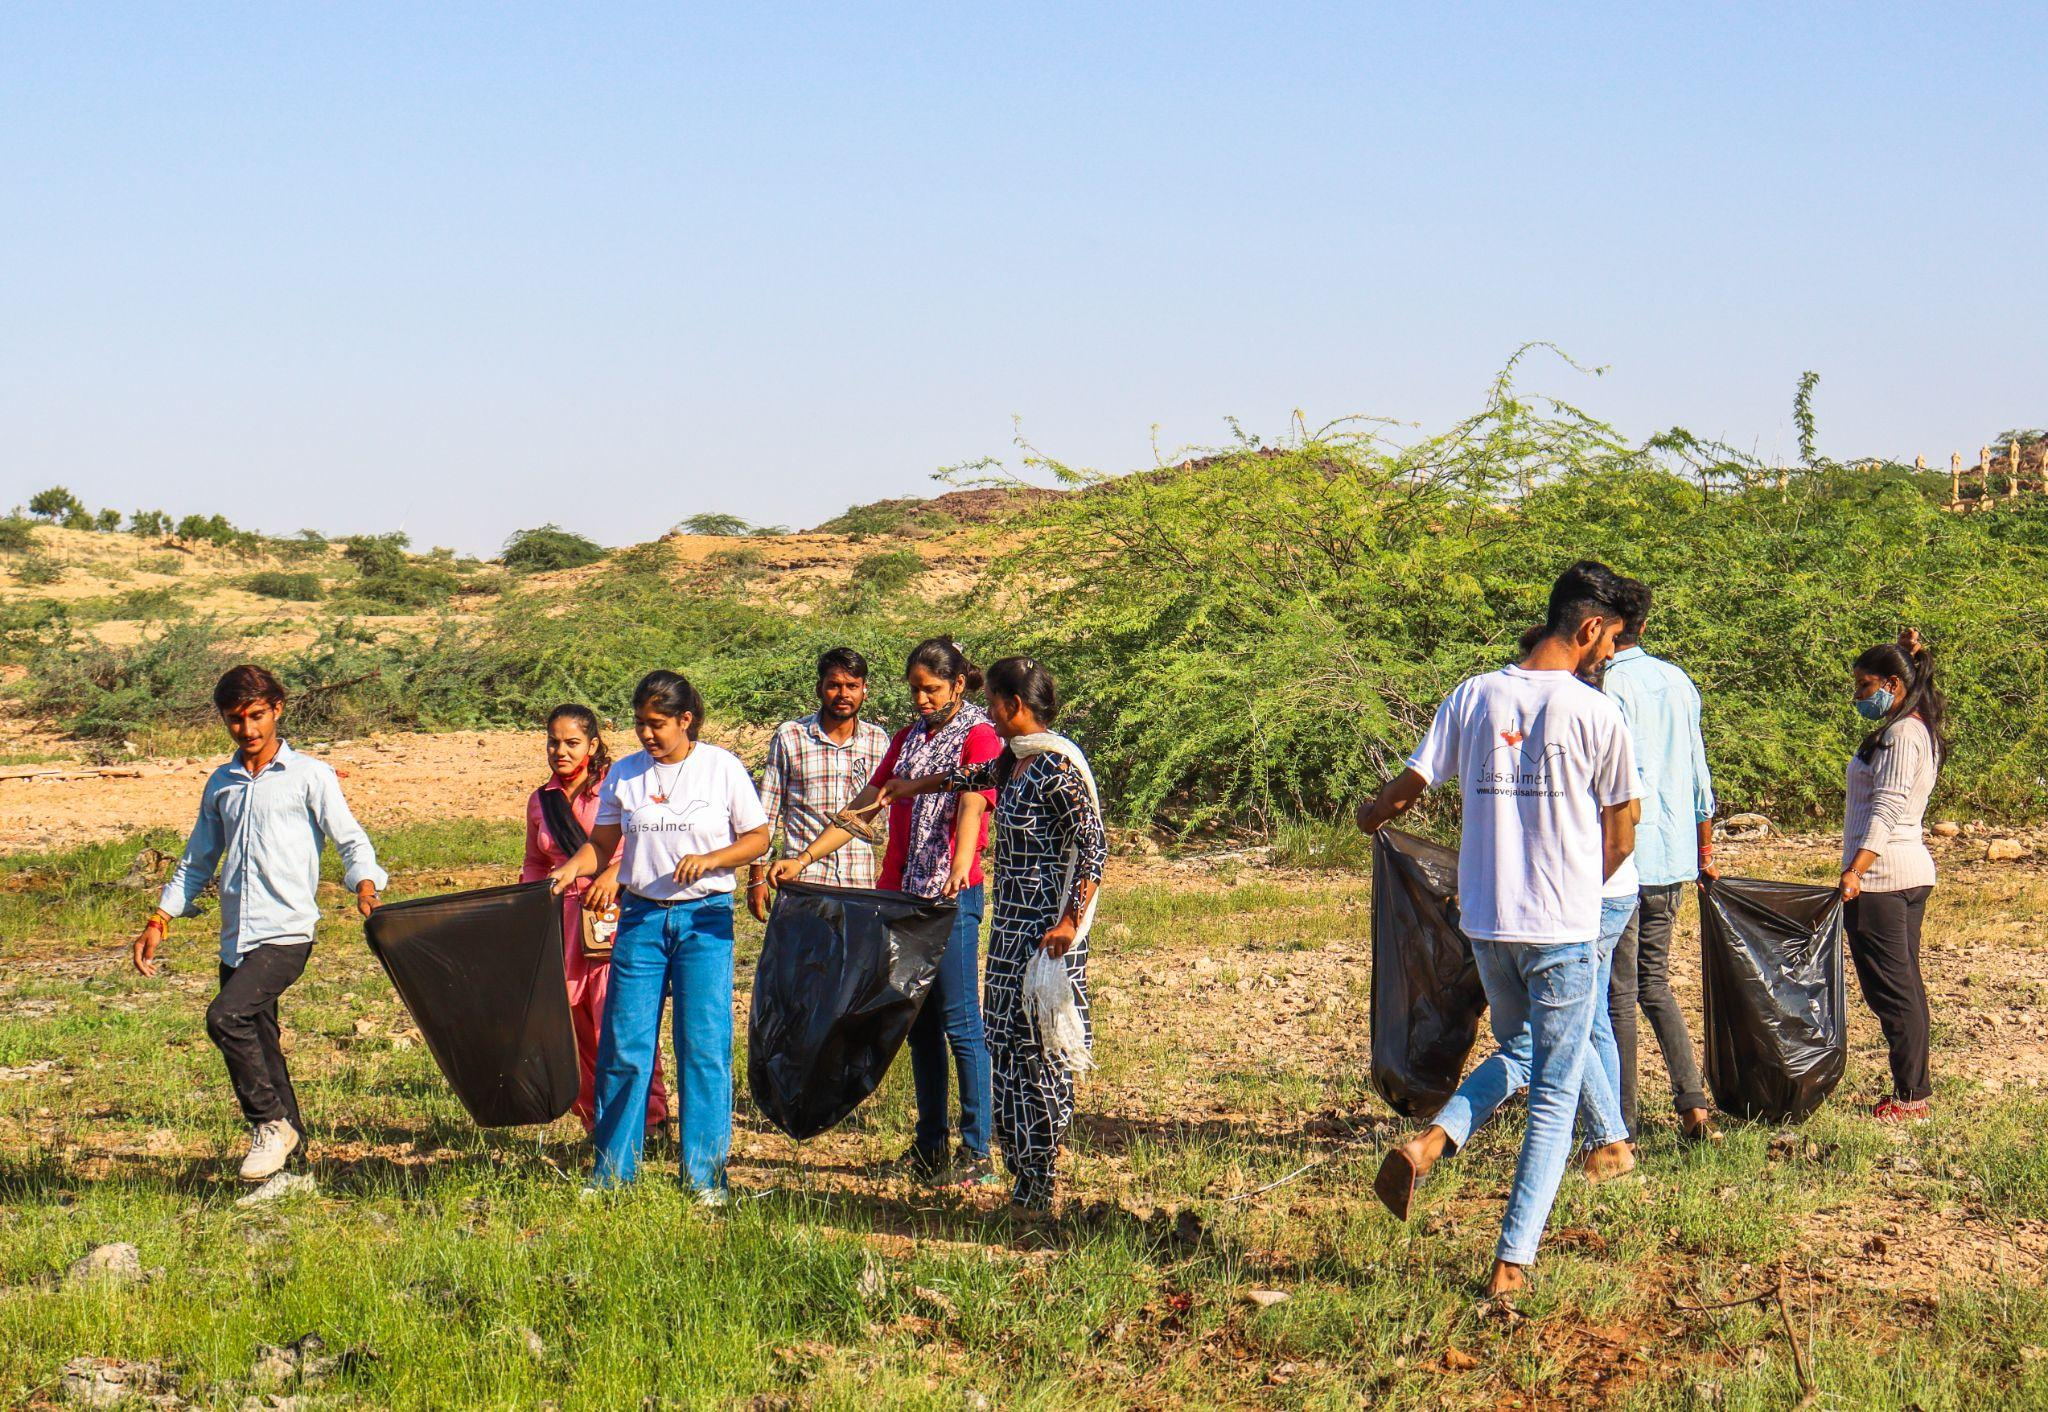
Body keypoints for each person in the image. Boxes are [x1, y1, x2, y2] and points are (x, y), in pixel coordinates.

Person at [1355, 562, 1641, 1297]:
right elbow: (1624, 834)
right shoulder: (1596, 714)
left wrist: (1370, 815)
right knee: (1553, 1089)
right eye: (1611, 639)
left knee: (1520, 1050)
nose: (1611, 653)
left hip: (1488, 927)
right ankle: (1513, 1262)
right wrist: (1578, 891)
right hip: (1562, 929)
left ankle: (1430, 1141)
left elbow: (1410, 787)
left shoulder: (1474, 695)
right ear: (1587, 629)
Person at [130, 665, 386, 1184]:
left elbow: (351, 840)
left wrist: (365, 883)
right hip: (236, 939)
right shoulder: (221, 783)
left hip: (287, 933)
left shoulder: (310, 775)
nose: (247, 730)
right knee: (263, 1048)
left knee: (226, 1018)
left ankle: (269, 1125)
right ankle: (294, 1172)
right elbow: (197, 858)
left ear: (277, 710)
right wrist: (160, 918)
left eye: (256, 716)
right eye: (235, 720)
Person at [879, 656, 1106, 1214]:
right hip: (1008, 930)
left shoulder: (1057, 769)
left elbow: (1094, 851)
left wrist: (1070, 921)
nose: (991, 715)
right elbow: (968, 780)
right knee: (1004, 1046)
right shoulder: (1015, 763)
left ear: (1013, 705)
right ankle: (1021, 1177)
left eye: (997, 705)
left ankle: (1039, 1180)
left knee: (1037, 1053)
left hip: (1046, 937)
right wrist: (913, 785)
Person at [774, 639, 1003, 1186]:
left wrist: (961, 864)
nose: (922, 699)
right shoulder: (906, 740)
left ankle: (978, 1151)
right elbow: (864, 807)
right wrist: (803, 857)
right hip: (901, 895)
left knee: (961, 1022)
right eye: (915, 689)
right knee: (917, 1023)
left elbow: (974, 801)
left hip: (950, 897)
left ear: (958, 685)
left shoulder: (979, 735)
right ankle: (930, 1145)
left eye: (932, 689)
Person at [548, 671, 769, 1198]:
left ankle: (704, 1177)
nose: (648, 735)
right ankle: (613, 1173)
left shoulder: (721, 768)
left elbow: (758, 837)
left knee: (704, 1046)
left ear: (686, 720)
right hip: (641, 920)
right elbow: (601, 846)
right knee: (625, 1045)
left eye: (658, 724)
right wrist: (567, 872)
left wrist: (713, 859)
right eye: (641, 724)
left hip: (705, 919)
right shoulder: (625, 774)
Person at [1602, 584, 1719, 1142]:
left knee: (1619, 993)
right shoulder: (1679, 681)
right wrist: (1704, 851)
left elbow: (1610, 782)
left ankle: (1620, 1124)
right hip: (1673, 860)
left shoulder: (1610, 685)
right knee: (1656, 984)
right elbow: (1699, 777)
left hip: (1625, 860)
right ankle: (1693, 1104)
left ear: (1604, 625)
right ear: (1643, 625)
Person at [519, 703, 670, 1137]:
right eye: (553, 742)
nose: (560, 751)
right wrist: (530, 904)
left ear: (592, 744)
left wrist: (612, 876)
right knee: (575, 1024)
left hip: (613, 914)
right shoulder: (541, 800)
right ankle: (595, 1119)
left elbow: (637, 843)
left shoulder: (614, 786)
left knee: (618, 1020)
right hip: (562, 922)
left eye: (571, 743)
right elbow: (534, 861)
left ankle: (650, 1118)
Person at [1841, 629, 1944, 1122]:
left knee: (1892, 989)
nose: (1859, 696)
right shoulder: (1909, 727)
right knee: (1903, 984)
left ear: (1893, 685)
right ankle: (1913, 1089)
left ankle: (1911, 1097)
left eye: (1865, 686)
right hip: (1901, 871)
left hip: (1886, 877)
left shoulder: (1903, 734)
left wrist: (1856, 870)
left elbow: (1887, 806)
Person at [746, 647, 891, 920]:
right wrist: (756, 874)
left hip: (858, 881)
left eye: (852, 686)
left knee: (855, 962)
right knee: (803, 961)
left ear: (864, 690)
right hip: (802, 879)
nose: (843, 694)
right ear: (819, 688)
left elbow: (889, 811)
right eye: (834, 685)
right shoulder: (791, 736)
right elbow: (768, 810)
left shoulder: (877, 741)